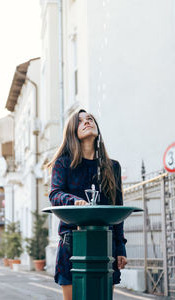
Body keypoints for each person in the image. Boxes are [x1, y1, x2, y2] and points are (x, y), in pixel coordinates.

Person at [48, 109, 127, 300]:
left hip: (105, 244)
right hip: (72, 242)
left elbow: (117, 208)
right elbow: (55, 194)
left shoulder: (112, 167)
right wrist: (74, 201)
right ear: (72, 131)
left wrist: (120, 248)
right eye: (80, 120)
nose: (87, 122)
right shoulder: (63, 164)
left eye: (90, 119)